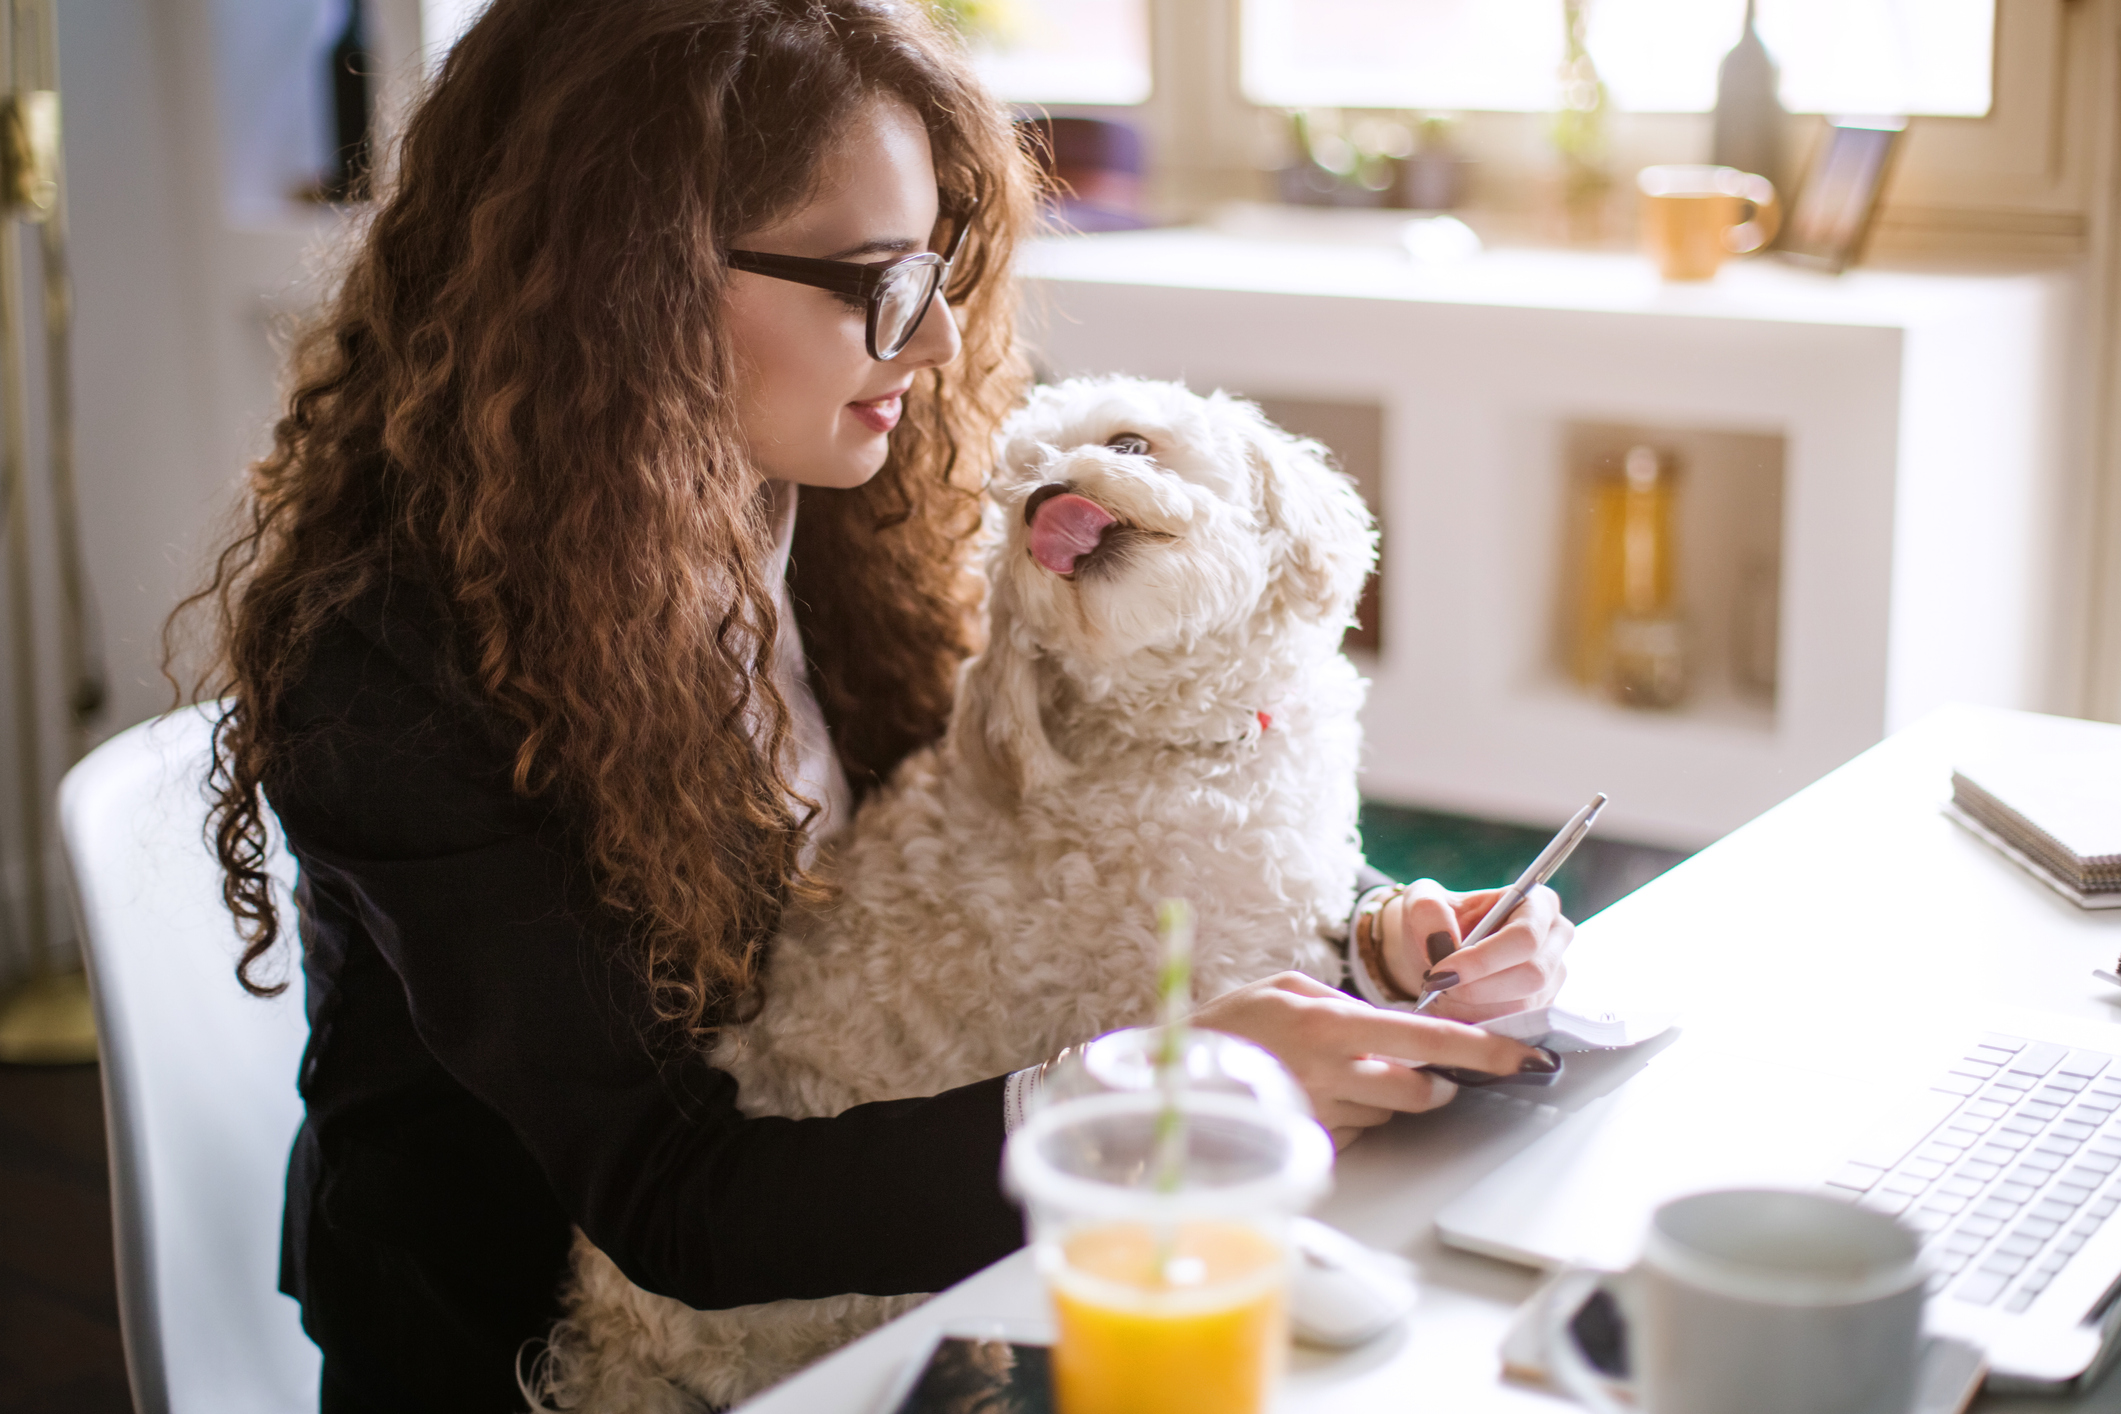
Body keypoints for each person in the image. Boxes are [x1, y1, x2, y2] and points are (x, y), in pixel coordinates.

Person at [173, 1, 1572, 1408]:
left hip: (867, 1293)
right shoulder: (388, 665)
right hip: (527, 1351)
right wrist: (1154, 1089)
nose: (942, 337)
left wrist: (1375, 934)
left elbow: (1079, 806)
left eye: (940, 267)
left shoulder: (844, 500)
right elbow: (677, 1200)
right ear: (623, 281)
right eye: (875, 280)